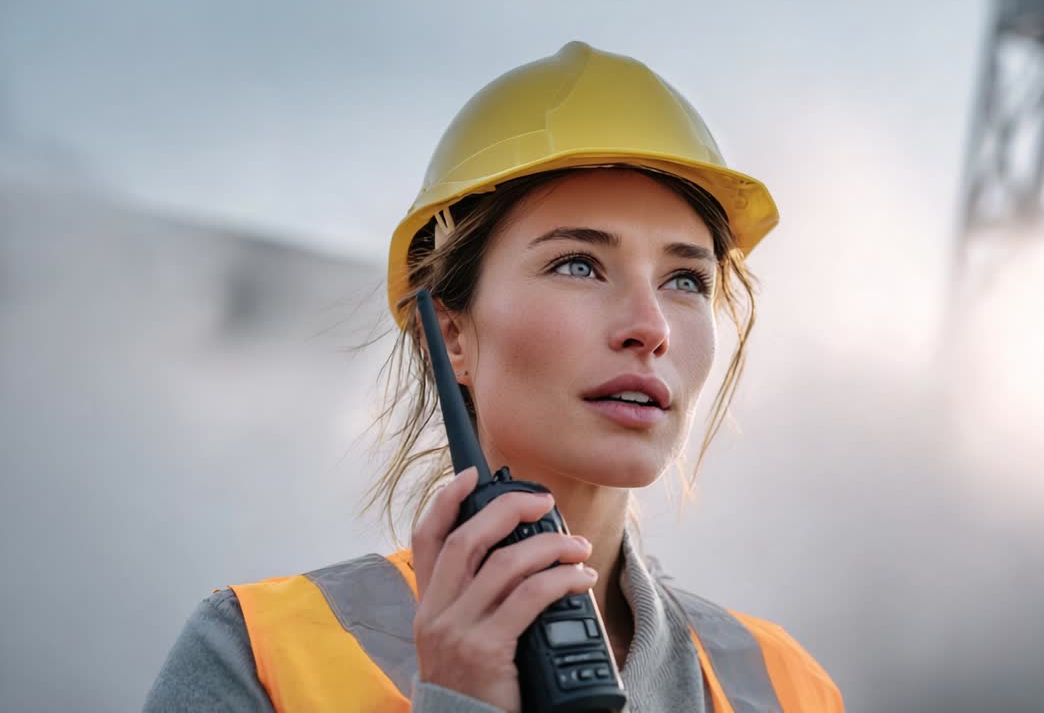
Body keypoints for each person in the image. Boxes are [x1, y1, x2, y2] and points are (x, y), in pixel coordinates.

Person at [144, 41, 843, 712]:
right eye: (579, 264)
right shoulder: (258, 659)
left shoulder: (789, 688)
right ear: (450, 333)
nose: (650, 326)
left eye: (686, 279)